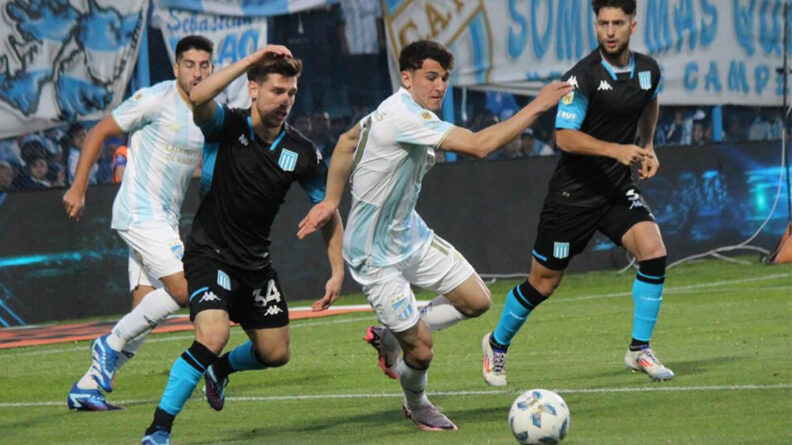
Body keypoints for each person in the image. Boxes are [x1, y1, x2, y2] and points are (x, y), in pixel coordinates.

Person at [297, 39, 570, 431]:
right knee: (422, 350)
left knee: (477, 300)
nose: (439, 86)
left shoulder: (393, 109)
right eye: (430, 77)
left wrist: (332, 199)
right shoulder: (404, 116)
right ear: (407, 78)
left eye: (444, 78)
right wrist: (538, 105)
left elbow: (346, 142)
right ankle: (417, 403)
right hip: (375, 255)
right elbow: (479, 146)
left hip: (409, 235)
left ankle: (393, 337)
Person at [141, 47, 344, 445]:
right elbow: (198, 95)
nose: (285, 100)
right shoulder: (226, 125)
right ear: (253, 89)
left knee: (275, 353)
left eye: (291, 93)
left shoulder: (302, 151)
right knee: (213, 334)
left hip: (255, 266)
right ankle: (158, 431)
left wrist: (337, 270)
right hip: (209, 253)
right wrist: (252, 60)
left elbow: (328, 210)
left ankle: (220, 370)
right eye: (277, 91)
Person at [481, 0, 674, 388]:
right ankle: (496, 343)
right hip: (573, 195)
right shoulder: (581, 77)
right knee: (543, 283)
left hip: (616, 189)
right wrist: (617, 150)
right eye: (603, 23)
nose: (610, 31)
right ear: (595, 25)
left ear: (633, 25)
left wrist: (648, 144)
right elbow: (565, 137)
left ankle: (639, 349)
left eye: (618, 23)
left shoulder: (649, 71)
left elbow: (649, 100)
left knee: (654, 252)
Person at [63, 35, 215, 411]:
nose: (197, 73)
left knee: (144, 309)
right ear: (176, 68)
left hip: (164, 220)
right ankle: (108, 344)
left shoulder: (209, 111)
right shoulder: (156, 98)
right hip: (139, 212)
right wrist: (78, 188)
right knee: (184, 289)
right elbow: (99, 132)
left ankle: (87, 387)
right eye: (190, 65)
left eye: (204, 66)